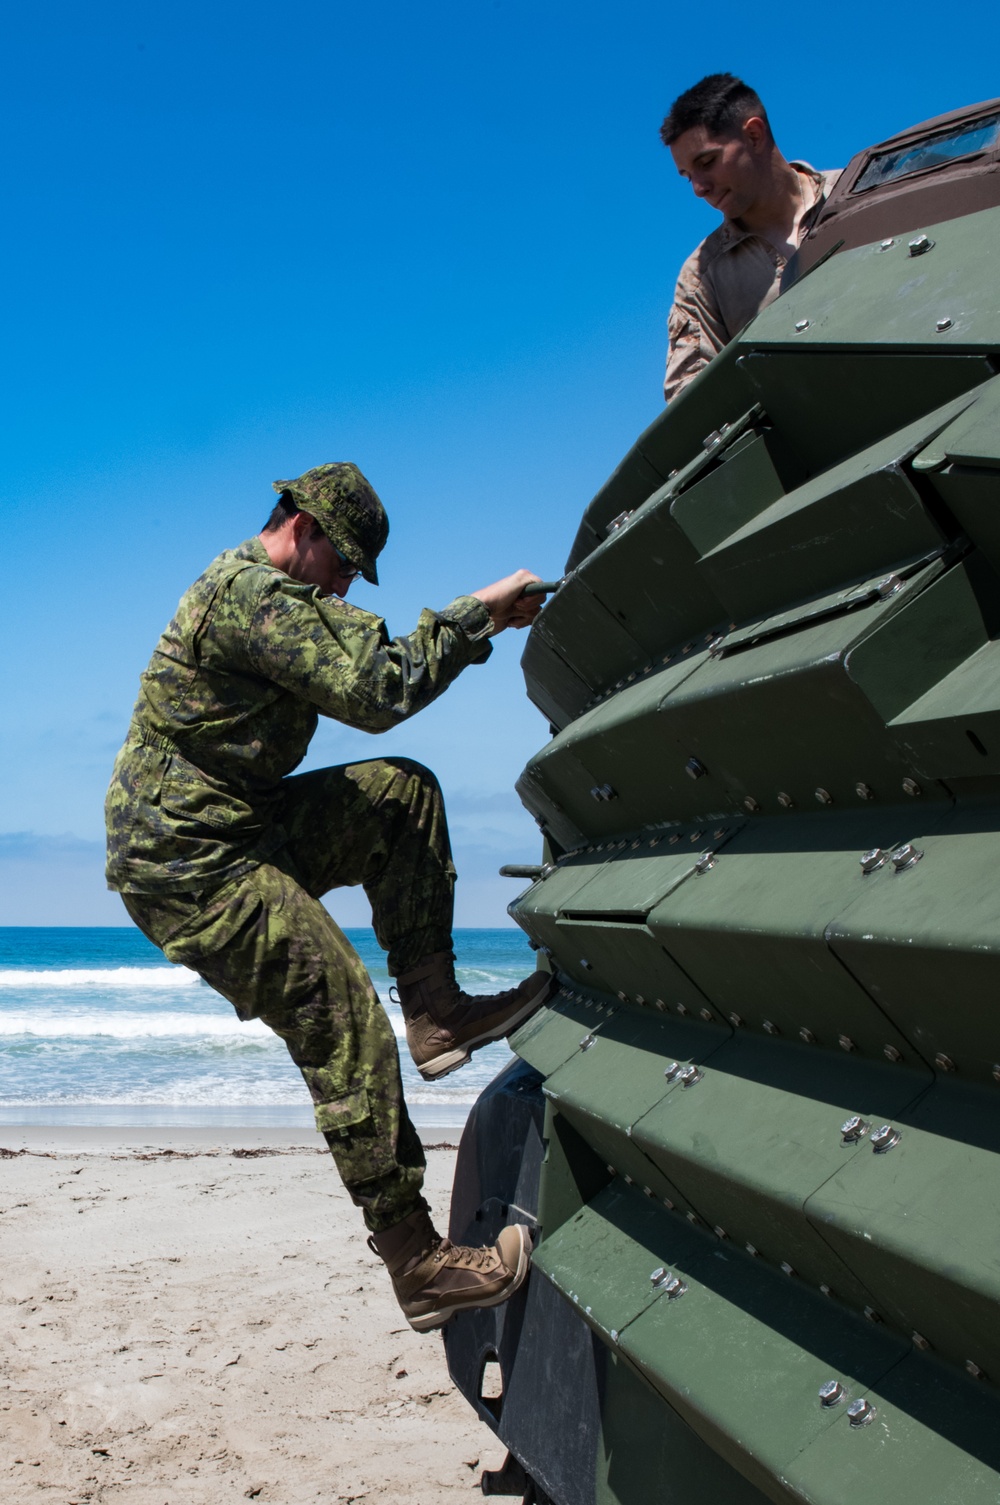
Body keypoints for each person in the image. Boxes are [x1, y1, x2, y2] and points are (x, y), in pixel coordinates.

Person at [105, 462, 554, 1331]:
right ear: (302, 527)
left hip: (243, 824)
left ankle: (436, 1010)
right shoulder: (250, 596)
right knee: (339, 1008)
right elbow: (378, 687)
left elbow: (374, 675)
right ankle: (418, 1263)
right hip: (186, 864)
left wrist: (478, 621)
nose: (346, 583)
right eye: (343, 563)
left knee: (400, 796)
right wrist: (481, 613)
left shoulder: (281, 592)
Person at [660, 73, 840, 402]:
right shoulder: (702, 277)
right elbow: (696, 406)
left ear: (754, 135)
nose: (699, 188)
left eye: (707, 162)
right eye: (688, 177)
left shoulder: (860, 193)